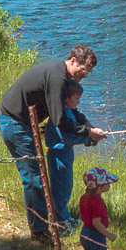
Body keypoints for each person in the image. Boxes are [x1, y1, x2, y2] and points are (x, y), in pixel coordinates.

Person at [0, 44, 108, 245]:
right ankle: (39, 231)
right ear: (73, 61)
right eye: (84, 70)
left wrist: (87, 124)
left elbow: (69, 110)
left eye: (88, 72)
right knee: (34, 179)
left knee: (38, 178)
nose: (85, 76)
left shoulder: (64, 75)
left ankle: (47, 222)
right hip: (14, 123)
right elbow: (59, 121)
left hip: (22, 123)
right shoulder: (58, 78)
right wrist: (88, 133)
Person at [45, 80, 96, 234]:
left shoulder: (69, 110)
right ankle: (61, 224)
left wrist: (91, 131)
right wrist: (89, 138)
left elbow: (79, 120)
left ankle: (64, 215)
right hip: (58, 154)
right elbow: (67, 138)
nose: (79, 101)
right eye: (77, 98)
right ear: (66, 98)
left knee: (66, 185)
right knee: (62, 187)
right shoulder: (59, 116)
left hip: (66, 152)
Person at [79, 166, 119, 250]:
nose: (109, 185)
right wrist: (109, 235)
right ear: (99, 187)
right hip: (95, 235)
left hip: (84, 231)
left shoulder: (84, 197)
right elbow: (97, 222)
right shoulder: (97, 202)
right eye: (107, 183)